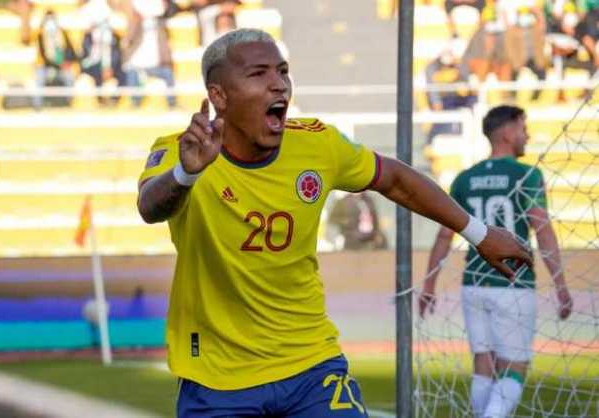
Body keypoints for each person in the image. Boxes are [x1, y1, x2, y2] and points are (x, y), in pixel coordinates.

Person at [137, 29, 533, 417]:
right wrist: (186, 175)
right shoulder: (180, 150)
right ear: (219, 96)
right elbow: (150, 206)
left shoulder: (318, 145)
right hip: (217, 378)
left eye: (282, 71)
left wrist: (478, 234)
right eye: (259, 74)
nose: (279, 85)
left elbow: (396, 179)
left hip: (311, 365)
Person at [419, 105, 573, 418]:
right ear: (505, 132)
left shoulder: (465, 178)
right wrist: (561, 286)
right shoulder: (526, 174)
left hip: (473, 284)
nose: (526, 134)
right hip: (512, 282)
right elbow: (542, 232)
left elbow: (444, 237)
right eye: (521, 127)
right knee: (514, 366)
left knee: (483, 365)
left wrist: (429, 286)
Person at [122, 1, 177, 109]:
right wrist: (135, 19)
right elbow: (128, 40)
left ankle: (172, 104)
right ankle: (135, 103)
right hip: (137, 63)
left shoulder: (160, 25)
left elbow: (171, 10)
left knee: (168, 73)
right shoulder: (135, 23)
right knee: (131, 70)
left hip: (156, 63)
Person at [34, 10, 78, 110]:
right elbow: (43, 57)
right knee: (39, 76)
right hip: (47, 67)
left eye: (52, 19)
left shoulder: (63, 34)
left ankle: (68, 103)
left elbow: (72, 53)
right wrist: (59, 64)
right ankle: (38, 106)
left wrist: (67, 62)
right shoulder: (40, 36)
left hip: (62, 67)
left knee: (69, 76)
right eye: (48, 19)